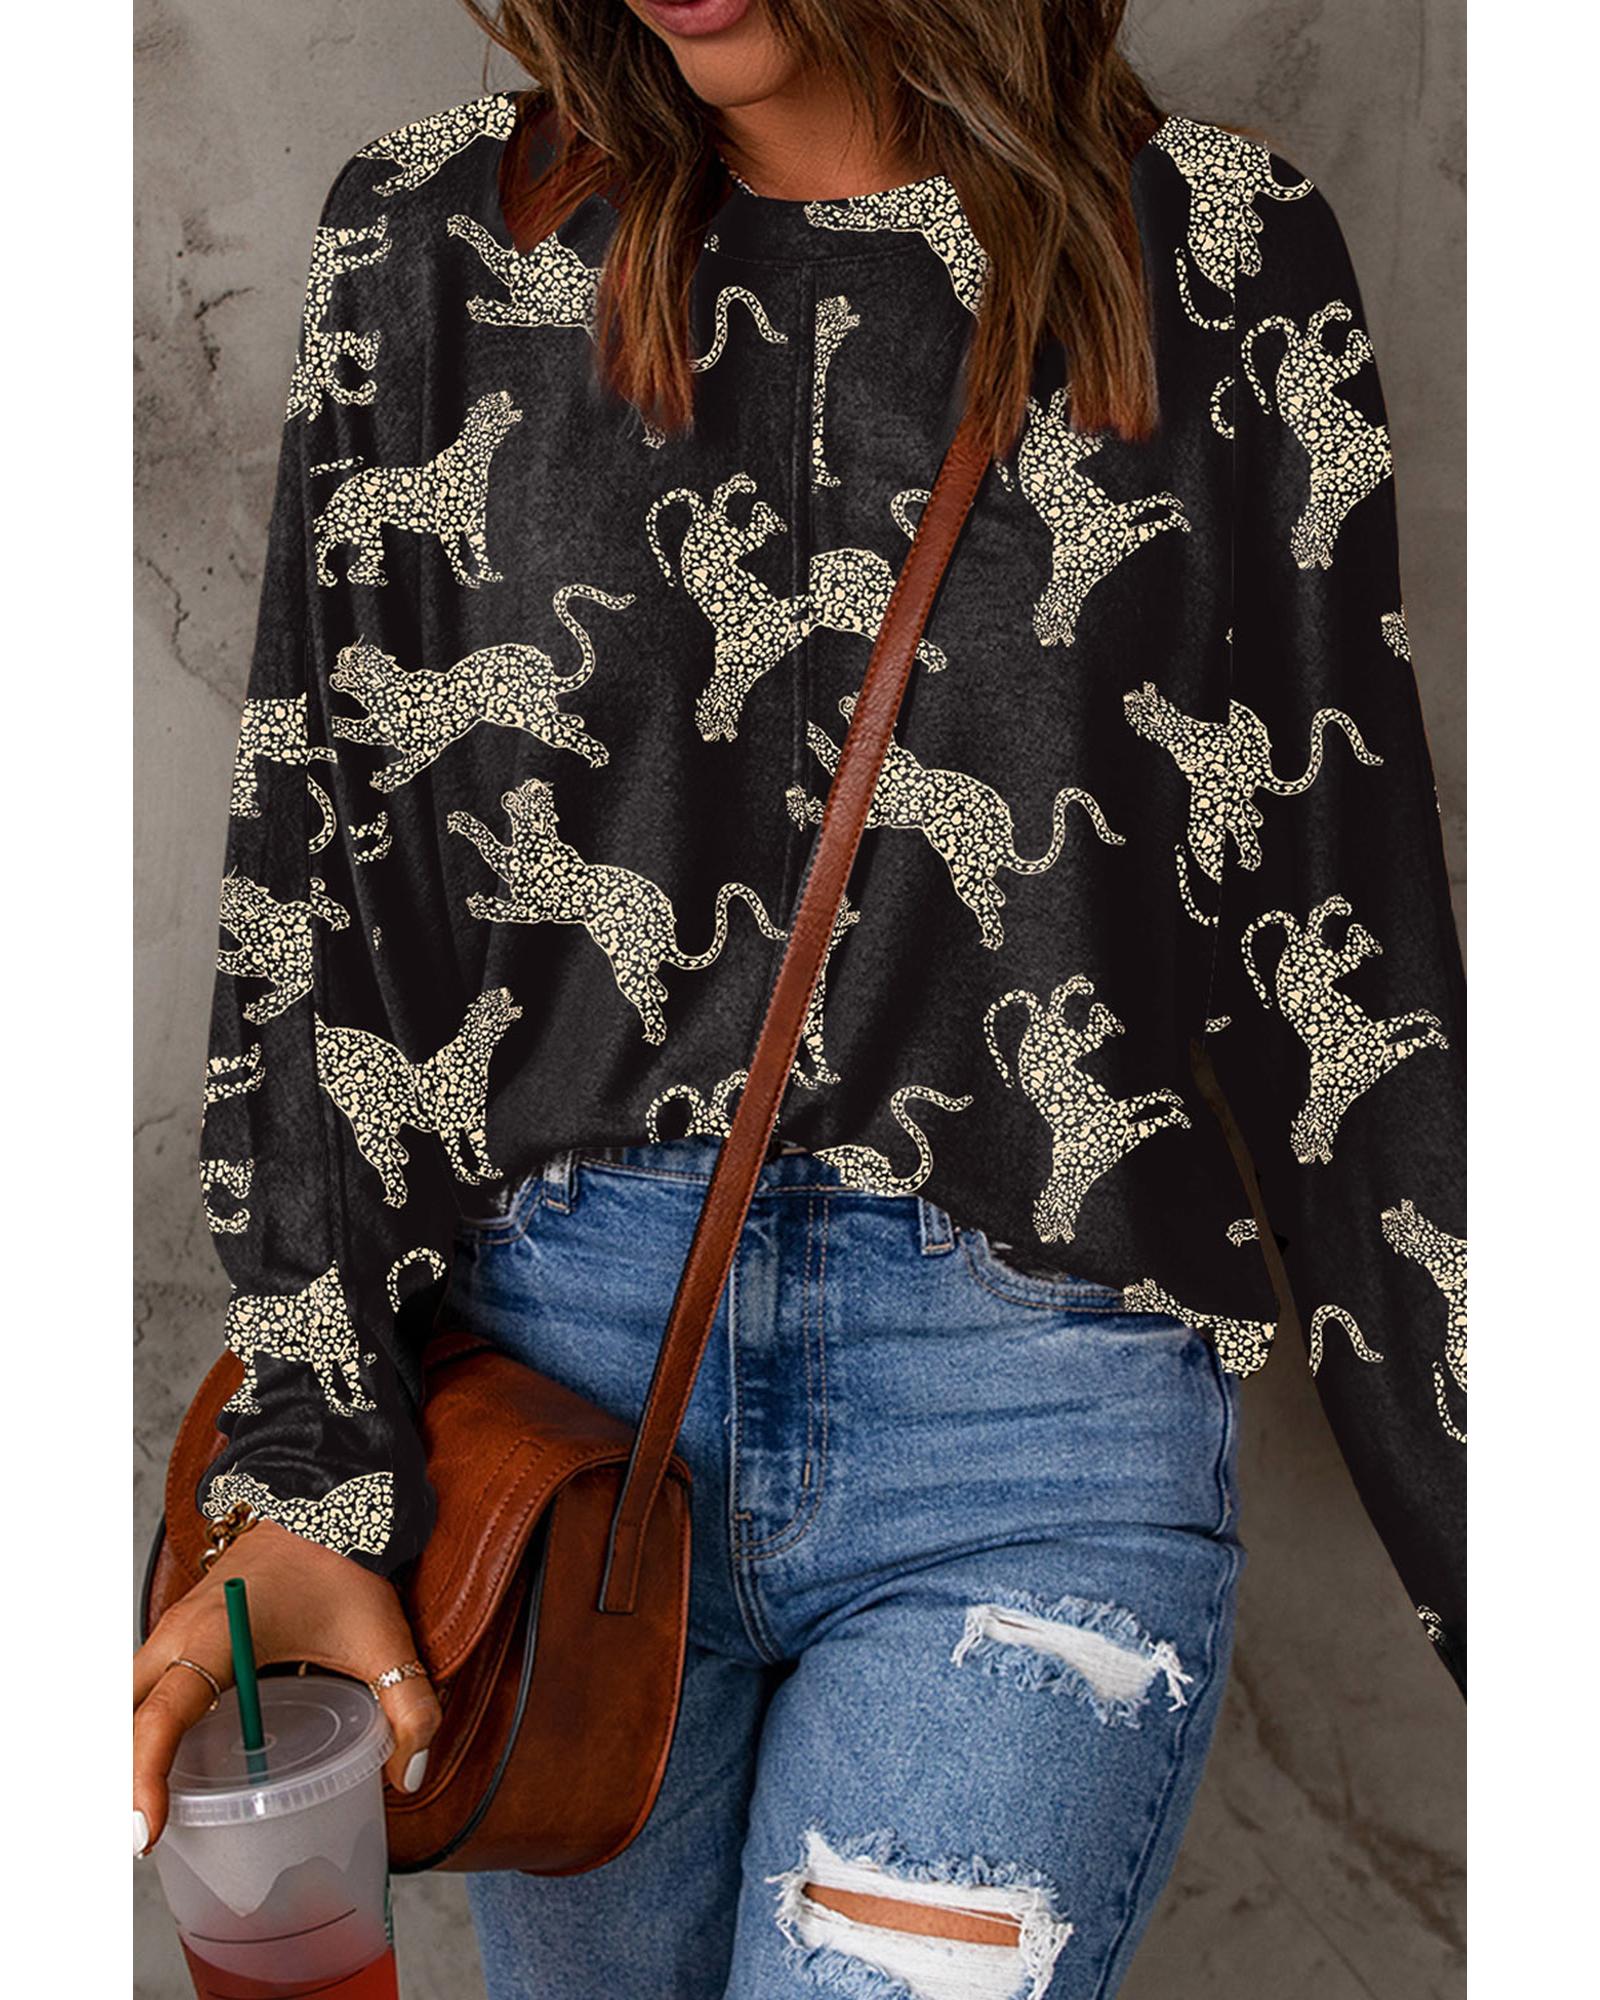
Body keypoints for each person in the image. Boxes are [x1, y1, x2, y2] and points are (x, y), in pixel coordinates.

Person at [133, 1, 1467, 1992]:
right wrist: (312, 1462)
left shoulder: (1214, 256)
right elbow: (322, 896)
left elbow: (1350, 977)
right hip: (562, 1431)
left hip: (1029, 1414)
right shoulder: (433, 239)